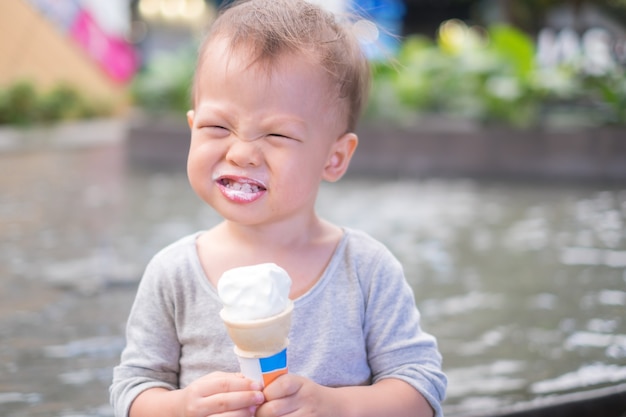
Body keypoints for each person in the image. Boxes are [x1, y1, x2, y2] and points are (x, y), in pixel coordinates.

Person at [110, 0, 447, 416]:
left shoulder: (365, 270)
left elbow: (422, 387)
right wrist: (181, 407)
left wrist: (338, 407)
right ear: (192, 127)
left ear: (334, 158)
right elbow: (134, 390)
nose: (242, 153)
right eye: (217, 127)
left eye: (276, 134)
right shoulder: (173, 273)